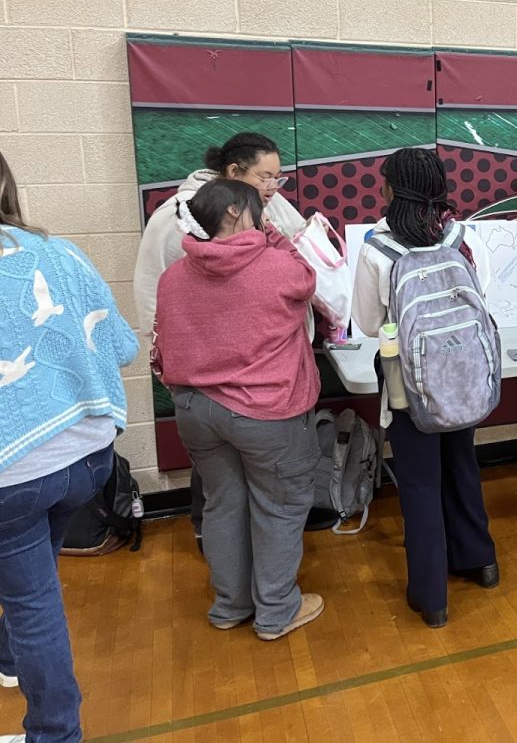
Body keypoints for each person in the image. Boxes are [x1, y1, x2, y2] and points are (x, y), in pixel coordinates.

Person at [0, 151, 140, 743]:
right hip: (87, 453)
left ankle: (55, 733)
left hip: (17, 467)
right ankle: (11, 658)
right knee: (31, 582)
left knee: (33, 600)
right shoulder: (60, 253)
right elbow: (122, 346)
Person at [152, 179, 323, 642]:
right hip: (267, 411)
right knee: (280, 508)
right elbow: (308, 278)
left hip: (195, 410)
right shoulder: (273, 267)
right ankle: (275, 611)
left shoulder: (174, 276)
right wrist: (270, 234)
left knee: (222, 504)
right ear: (234, 212)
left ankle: (230, 606)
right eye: (256, 208)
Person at [133, 132, 309, 551]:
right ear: (234, 174)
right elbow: (152, 297)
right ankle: (270, 599)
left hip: (233, 378)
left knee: (233, 494)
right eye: (265, 177)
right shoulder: (175, 217)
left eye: (278, 179)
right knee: (246, 496)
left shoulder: (266, 204)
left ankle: (232, 597)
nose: (272, 188)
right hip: (226, 380)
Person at [352, 148, 498, 629]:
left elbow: (369, 322)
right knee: (462, 465)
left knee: (419, 483)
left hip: (406, 381)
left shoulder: (379, 247)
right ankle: (481, 562)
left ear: (391, 190)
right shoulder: (462, 235)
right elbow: (483, 298)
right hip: (464, 373)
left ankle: (431, 595)